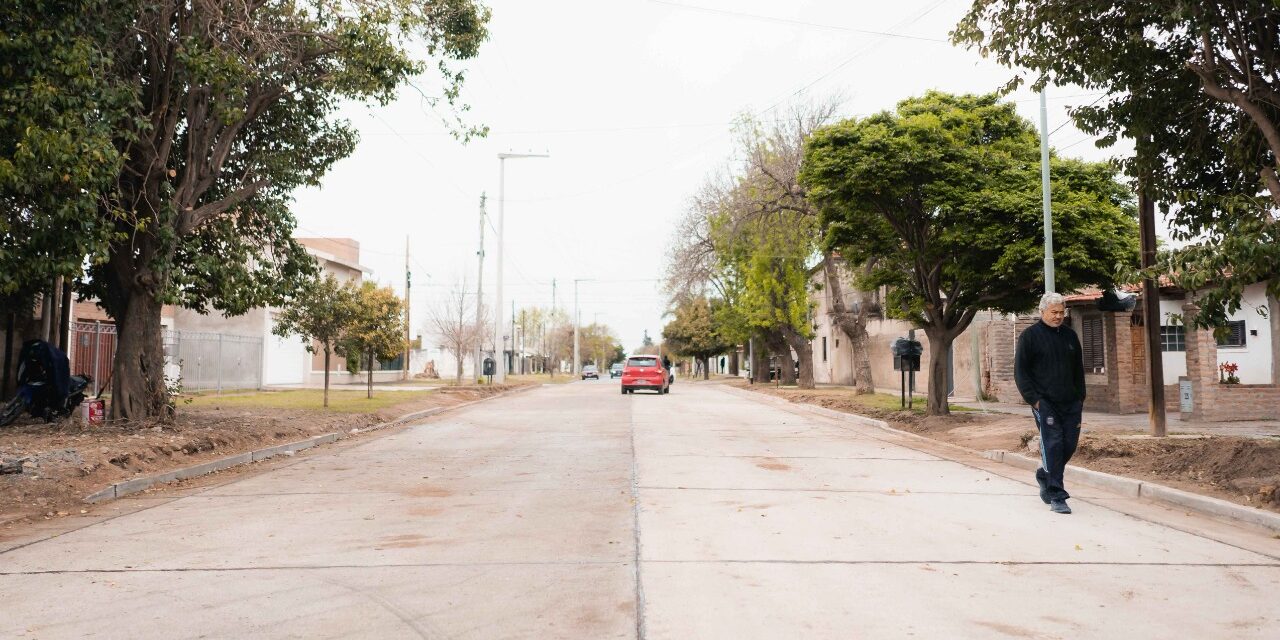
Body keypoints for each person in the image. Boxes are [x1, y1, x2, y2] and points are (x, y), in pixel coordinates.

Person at [1014, 292, 1086, 515]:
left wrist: (1080, 396)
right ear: (1042, 311)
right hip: (1045, 403)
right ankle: (1057, 495)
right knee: (1053, 444)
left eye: (1061, 312)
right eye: (1053, 312)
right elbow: (1021, 372)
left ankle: (1045, 475)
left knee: (1069, 445)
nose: (1057, 316)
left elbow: (1077, 370)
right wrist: (1034, 401)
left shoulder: (1070, 336)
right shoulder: (1030, 337)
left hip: (1071, 402)